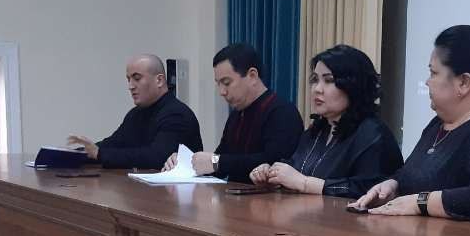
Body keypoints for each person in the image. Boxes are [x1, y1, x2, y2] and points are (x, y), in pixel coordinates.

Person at [351, 25, 470, 225]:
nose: (427, 82)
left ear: (463, 83)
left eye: (433, 73)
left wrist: (420, 202)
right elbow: (414, 175)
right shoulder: (439, 124)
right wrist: (393, 186)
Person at [248, 44, 403, 198]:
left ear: (353, 86)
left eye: (329, 81)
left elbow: (368, 189)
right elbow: (296, 168)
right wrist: (272, 175)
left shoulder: (373, 134)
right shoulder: (317, 130)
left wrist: (304, 183)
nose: (317, 89)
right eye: (315, 80)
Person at [164, 43, 301, 184]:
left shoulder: (282, 112)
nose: (222, 92)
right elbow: (220, 161)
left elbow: (273, 162)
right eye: (218, 84)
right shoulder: (236, 115)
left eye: (227, 83)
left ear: (252, 76)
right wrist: (187, 162)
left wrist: (216, 162)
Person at [68, 54, 202, 169]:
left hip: (176, 191)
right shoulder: (136, 114)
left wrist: (100, 154)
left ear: (159, 80)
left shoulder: (176, 114)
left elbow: (157, 157)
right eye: (128, 79)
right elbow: (113, 144)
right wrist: (75, 154)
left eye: (137, 78)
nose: (130, 86)